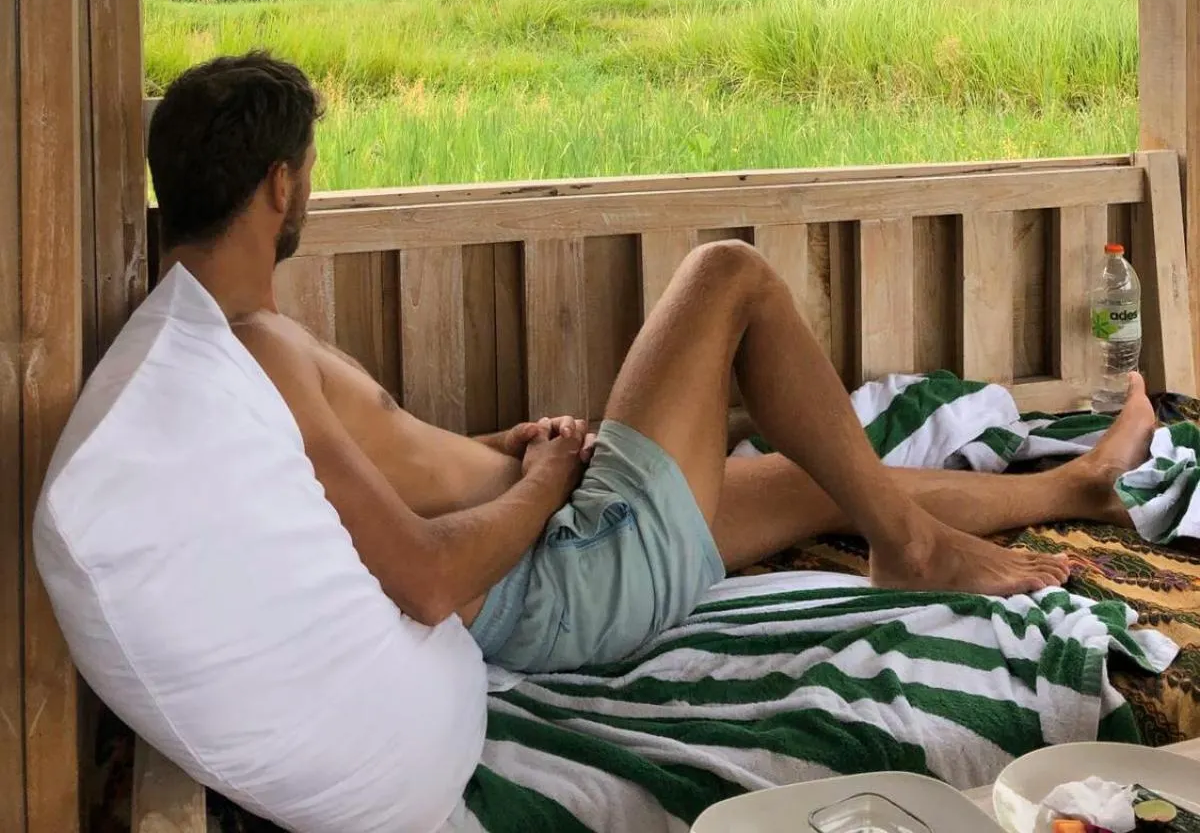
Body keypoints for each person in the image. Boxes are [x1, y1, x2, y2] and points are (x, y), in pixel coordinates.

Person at [147, 53, 1157, 674]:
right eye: (312, 174)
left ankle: (1076, 484)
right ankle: (915, 548)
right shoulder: (258, 346)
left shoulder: (225, 332)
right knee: (728, 273)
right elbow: (424, 576)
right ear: (279, 187)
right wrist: (543, 483)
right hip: (565, 573)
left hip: (559, 548)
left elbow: (384, 478)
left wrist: (502, 446)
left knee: (818, 472)